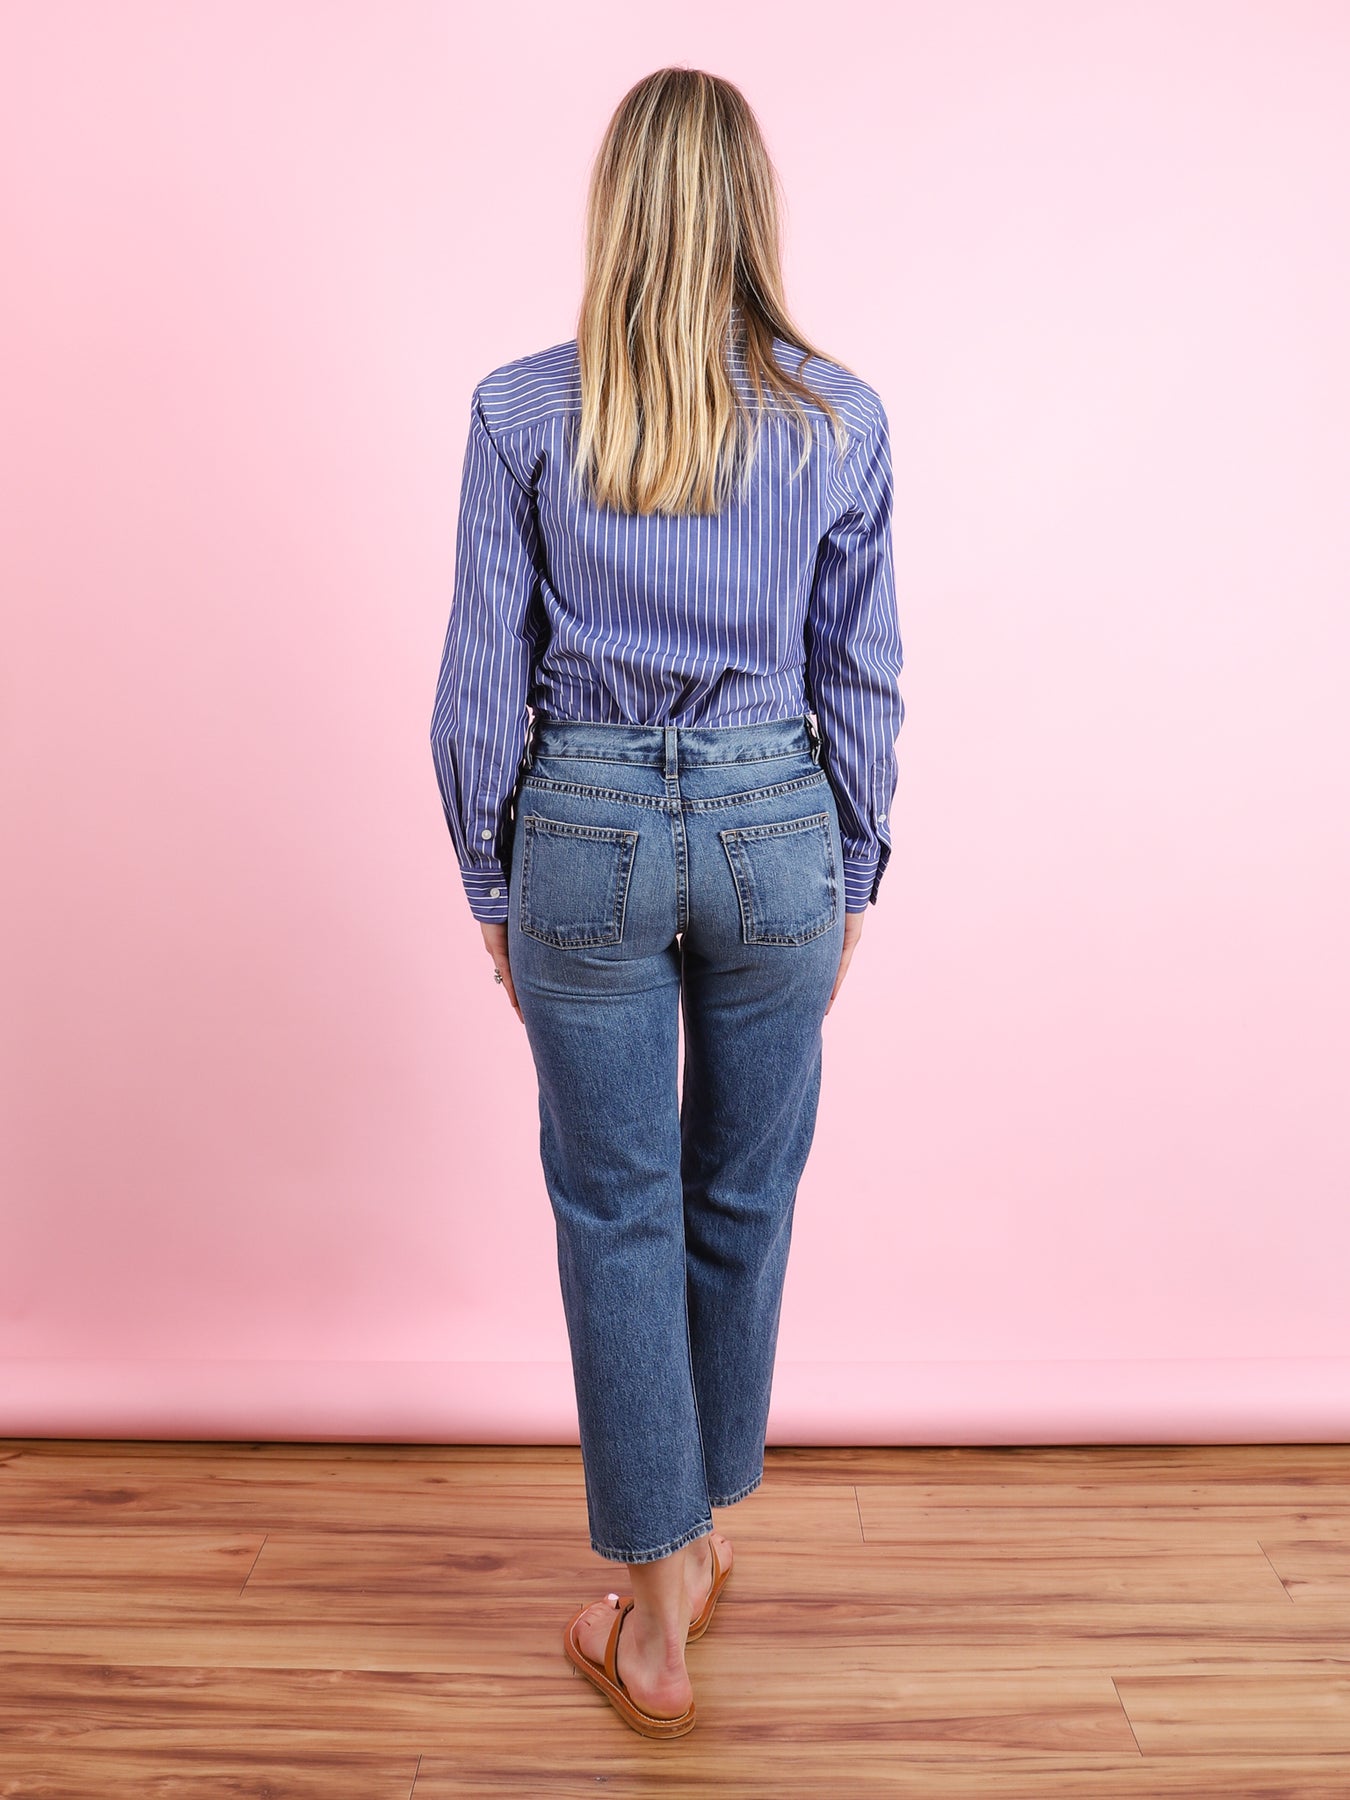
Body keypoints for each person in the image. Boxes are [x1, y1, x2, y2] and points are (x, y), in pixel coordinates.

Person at [429, 66, 904, 1740]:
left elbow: (478, 683)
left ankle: (655, 1608)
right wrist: (854, 866)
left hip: (585, 824)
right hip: (779, 824)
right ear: (751, 210)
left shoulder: (521, 411)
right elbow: (861, 673)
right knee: (740, 1196)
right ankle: (691, 1539)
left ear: (613, 205)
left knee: (615, 1207)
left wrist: (492, 875)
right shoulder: (839, 418)